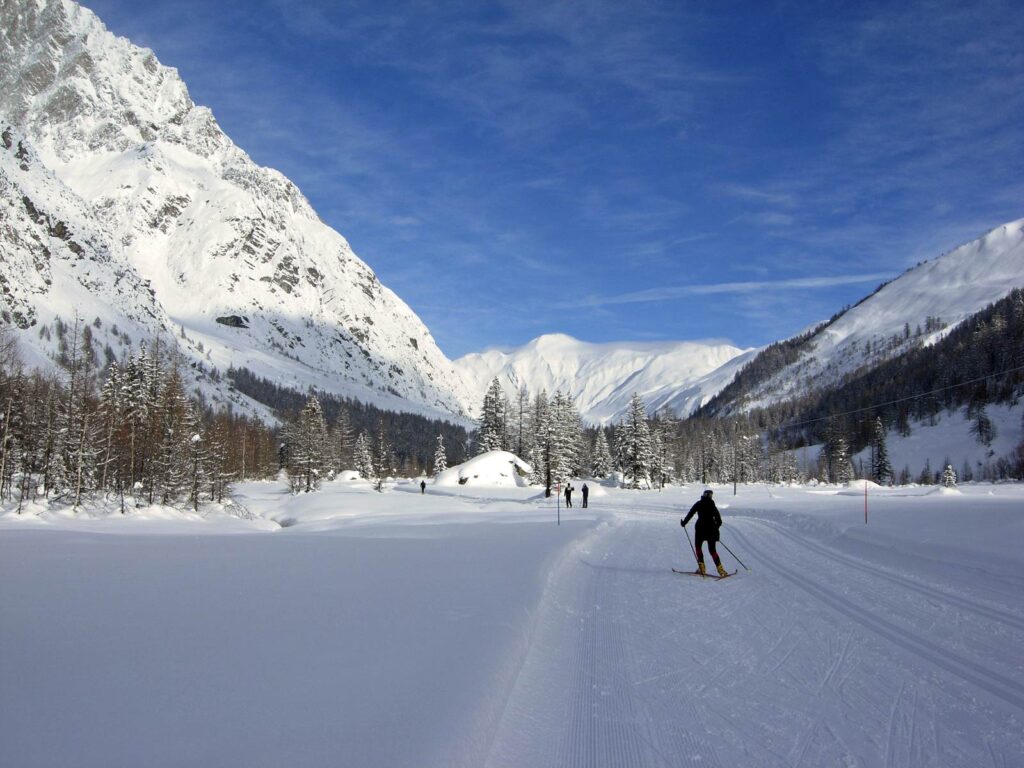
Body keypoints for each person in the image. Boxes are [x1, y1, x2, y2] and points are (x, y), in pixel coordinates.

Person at [681, 488, 728, 577]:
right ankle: (721, 570)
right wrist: (715, 527)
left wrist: (684, 523)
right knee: (712, 551)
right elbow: (719, 521)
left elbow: (690, 514)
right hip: (711, 531)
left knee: (698, 548)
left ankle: (702, 568)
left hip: (700, 530)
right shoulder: (712, 506)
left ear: (703, 495)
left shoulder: (699, 504)